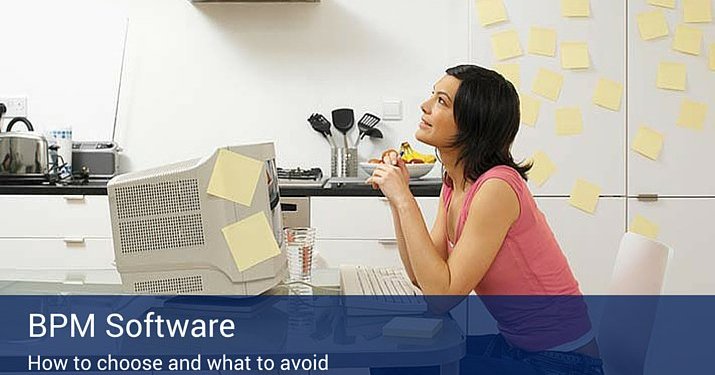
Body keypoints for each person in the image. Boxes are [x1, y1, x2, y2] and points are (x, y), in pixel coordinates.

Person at [366, 65, 603, 375]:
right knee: (393, 361)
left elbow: (441, 300)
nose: (425, 106)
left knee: (400, 369)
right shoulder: (455, 182)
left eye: (442, 101)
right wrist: (398, 200)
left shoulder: (496, 188)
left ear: (473, 124)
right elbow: (423, 278)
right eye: (433, 96)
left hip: (564, 363)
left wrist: (403, 199)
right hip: (518, 349)